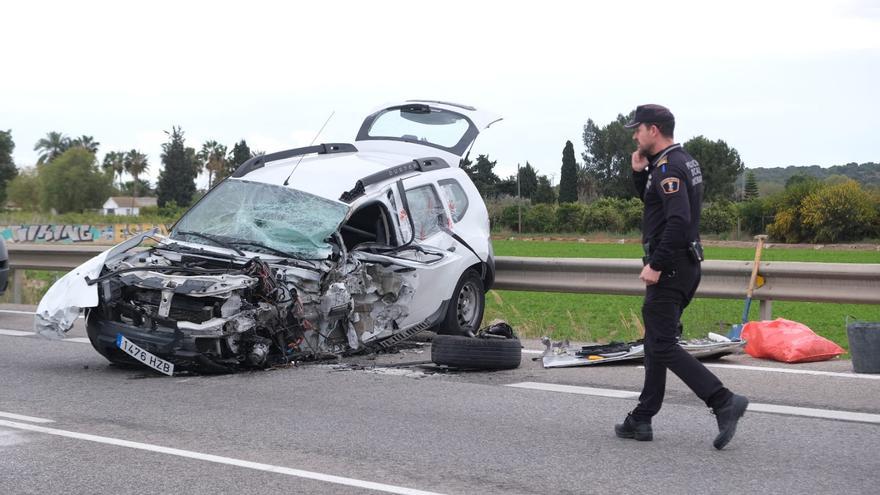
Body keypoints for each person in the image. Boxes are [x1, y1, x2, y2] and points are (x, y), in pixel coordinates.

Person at [614, 104, 748, 450]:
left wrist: (656, 264)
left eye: (638, 129)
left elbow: (678, 220)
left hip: (671, 265)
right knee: (657, 341)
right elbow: (656, 203)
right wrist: (639, 174)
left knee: (661, 344)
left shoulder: (670, 166)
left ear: (654, 130)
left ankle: (722, 400)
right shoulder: (679, 161)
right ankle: (642, 418)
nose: (635, 135)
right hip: (685, 264)